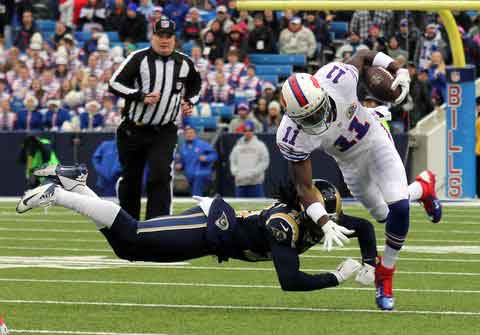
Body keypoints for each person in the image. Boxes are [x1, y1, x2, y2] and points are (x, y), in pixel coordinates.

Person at [16, 165, 379, 292]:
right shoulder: (283, 226)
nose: (326, 224)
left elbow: (362, 226)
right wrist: (337, 276)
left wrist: (370, 264)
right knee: (134, 236)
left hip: (214, 238)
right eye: (322, 217)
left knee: (128, 248)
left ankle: (77, 186)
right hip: (211, 226)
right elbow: (290, 281)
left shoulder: (318, 219)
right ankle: (60, 195)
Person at [277, 49, 442, 310]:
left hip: (375, 140)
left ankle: (385, 273)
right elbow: (303, 187)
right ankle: (422, 188)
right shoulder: (291, 135)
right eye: (307, 118)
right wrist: (323, 221)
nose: (316, 119)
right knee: (384, 215)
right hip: (348, 162)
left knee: (399, 207)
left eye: (317, 111)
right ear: (293, 117)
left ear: (322, 93)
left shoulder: (338, 78)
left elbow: (365, 55)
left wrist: (397, 68)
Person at [108, 17, 201, 220]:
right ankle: (128, 225)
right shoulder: (138, 58)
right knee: (132, 179)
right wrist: (140, 96)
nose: (164, 40)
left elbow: (196, 84)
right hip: (133, 128)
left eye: (168, 36)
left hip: (164, 130)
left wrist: (190, 101)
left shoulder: (184, 63)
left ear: (174, 39)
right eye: (160, 35)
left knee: (159, 175)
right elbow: (114, 84)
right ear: (153, 37)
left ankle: (157, 226)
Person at [230, 120, 270, 197]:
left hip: (255, 183)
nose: (248, 133)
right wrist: (236, 172)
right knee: (240, 208)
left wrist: (254, 173)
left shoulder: (260, 146)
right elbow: (232, 161)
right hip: (240, 183)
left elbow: (264, 161)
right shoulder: (237, 146)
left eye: (250, 130)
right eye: (245, 130)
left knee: (259, 208)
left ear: (253, 131)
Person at [175, 127, 218, 196]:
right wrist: (180, 165)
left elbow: (214, 155)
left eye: (191, 133)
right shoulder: (183, 147)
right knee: (194, 195)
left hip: (201, 174)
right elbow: (182, 162)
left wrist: (206, 158)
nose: (189, 135)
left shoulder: (202, 144)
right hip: (189, 176)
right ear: (185, 135)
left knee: (196, 195)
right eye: (187, 133)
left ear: (195, 134)